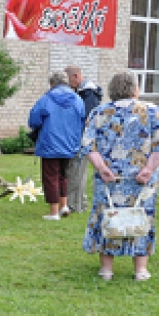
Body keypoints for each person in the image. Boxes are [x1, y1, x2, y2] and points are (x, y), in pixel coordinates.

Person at [81, 71, 159, 281]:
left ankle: (106, 269)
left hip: (109, 180)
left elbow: (88, 145)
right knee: (141, 217)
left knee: (107, 216)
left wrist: (101, 167)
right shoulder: (151, 111)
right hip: (142, 180)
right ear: (134, 88)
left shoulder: (99, 112)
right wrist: (149, 169)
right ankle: (140, 270)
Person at [28, 71, 85, 221]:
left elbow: (34, 120)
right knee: (63, 175)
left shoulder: (46, 99)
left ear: (52, 83)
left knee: (50, 177)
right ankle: (64, 206)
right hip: (70, 144)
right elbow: (83, 119)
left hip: (50, 143)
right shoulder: (78, 99)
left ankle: (54, 213)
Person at [64, 65, 103, 213]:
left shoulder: (88, 94)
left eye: (69, 80)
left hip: (82, 138)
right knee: (78, 171)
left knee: (77, 172)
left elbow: (86, 117)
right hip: (83, 137)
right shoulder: (85, 92)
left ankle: (75, 205)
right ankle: (81, 202)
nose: (68, 85)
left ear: (76, 76)